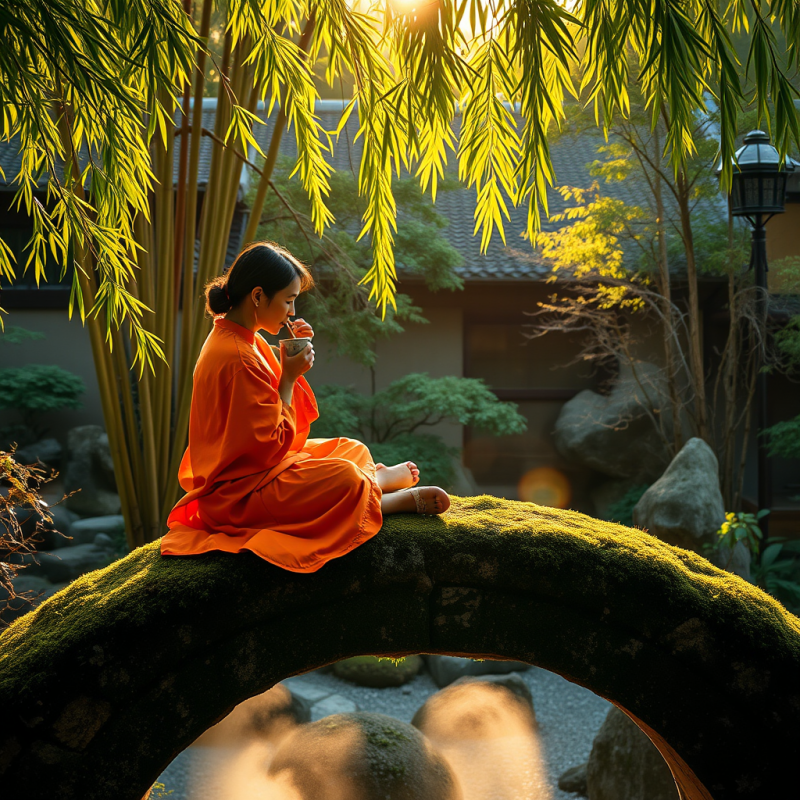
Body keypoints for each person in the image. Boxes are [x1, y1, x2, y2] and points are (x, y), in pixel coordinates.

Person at [160, 241, 450, 573]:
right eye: (288, 300)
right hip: (240, 496)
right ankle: (381, 500)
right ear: (257, 296)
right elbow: (270, 442)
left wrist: (292, 365)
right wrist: (289, 377)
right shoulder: (238, 356)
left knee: (350, 449)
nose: (292, 312)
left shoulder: (243, 338)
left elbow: (271, 416)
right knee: (347, 478)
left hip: (259, 470)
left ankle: (373, 483)